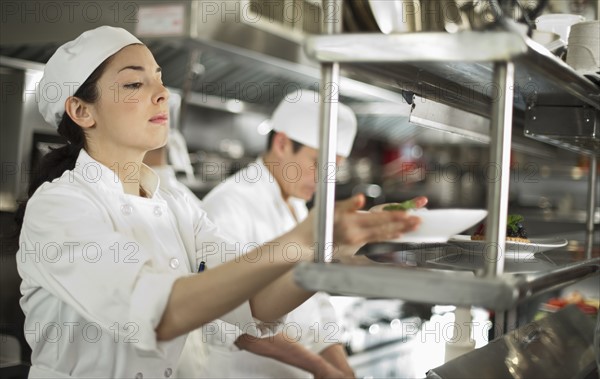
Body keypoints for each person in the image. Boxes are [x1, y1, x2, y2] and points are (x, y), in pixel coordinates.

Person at [15, 26, 423, 378]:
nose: (162, 94)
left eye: (159, 78)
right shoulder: (59, 207)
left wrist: (324, 248)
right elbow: (162, 313)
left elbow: (255, 304)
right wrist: (301, 241)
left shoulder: (177, 202)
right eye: (135, 83)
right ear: (82, 111)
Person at [197, 90, 359, 378]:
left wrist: (344, 369)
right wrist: (320, 368)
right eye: (317, 164)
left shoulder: (297, 207)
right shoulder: (228, 206)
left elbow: (316, 304)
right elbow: (233, 322)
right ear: (283, 143)